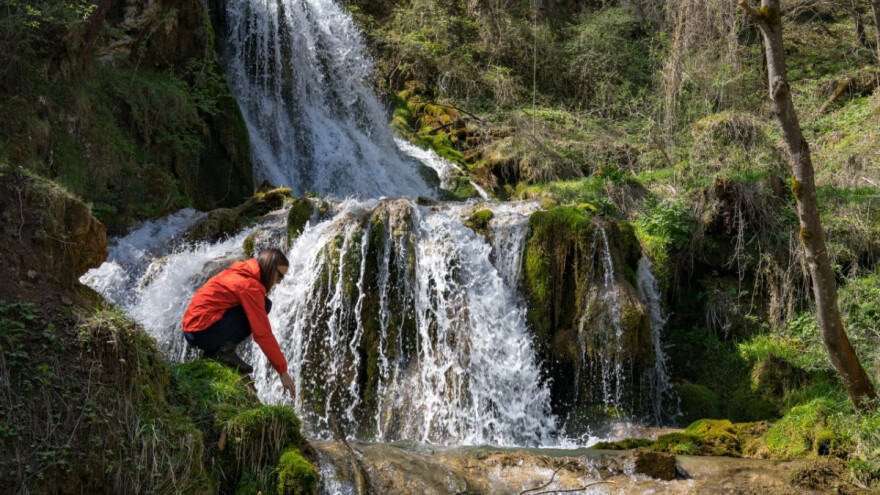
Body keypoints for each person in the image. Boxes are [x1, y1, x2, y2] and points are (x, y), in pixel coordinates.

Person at [182, 248, 296, 398]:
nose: (279, 282)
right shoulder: (250, 286)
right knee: (263, 307)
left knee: (264, 304)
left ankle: (218, 350)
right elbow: (262, 333)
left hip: (194, 330)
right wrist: (282, 371)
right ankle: (224, 351)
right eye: (279, 276)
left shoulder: (240, 273)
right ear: (269, 269)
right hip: (201, 332)